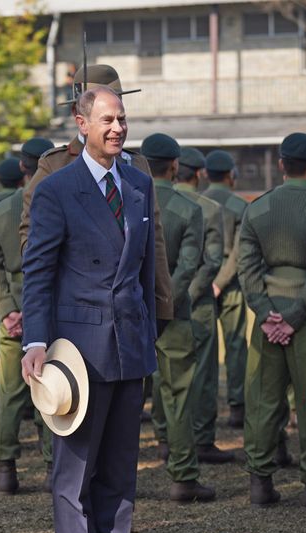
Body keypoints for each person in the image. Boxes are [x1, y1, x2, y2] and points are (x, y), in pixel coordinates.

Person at [22, 86, 155, 533]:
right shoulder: (58, 189)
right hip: (78, 350)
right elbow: (38, 270)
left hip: (129, 346)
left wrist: (148, 334)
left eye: (121, 118)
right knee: (75, 470)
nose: (117, 128)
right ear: (81, 124)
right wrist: (36, 340)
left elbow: (145, 272)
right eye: (106, 119)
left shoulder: (141, 185)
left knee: (121, 468)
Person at [19, 64, 173, 326]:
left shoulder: (136, 167)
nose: (116, 125)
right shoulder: (55, 166)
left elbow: (153, 241)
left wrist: (161, 305)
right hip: (79, 312)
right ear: (77, 114)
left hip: (130, 310)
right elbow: (30, 240)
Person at [239, 133, 306, 508]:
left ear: (281, 165)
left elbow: (247, 269)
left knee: (263, 398)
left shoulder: (257, 209)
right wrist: (296, 316)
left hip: (267, 316)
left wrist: (266, 314)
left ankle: (260, 481)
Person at [141, 133, 214, 503]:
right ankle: (183, 475)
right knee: (178, 395)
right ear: (174, 166)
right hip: (174, 313)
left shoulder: (125, 201)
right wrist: (164, 302)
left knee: (122, 399)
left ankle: (119, 478)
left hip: (130, 312)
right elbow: (187, 268)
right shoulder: (190, 210)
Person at [0, 137, 55, 494]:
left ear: (21, 167)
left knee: (11, 391)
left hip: (11, 307)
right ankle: (54, 465)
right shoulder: (57, 199)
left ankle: (5, 470)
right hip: (50, 306)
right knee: (53, 387)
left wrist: (8, 311)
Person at [173, 147, 232, 463]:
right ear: (199, 174)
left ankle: (168, 436)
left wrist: (168, 294)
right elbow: (211, 260)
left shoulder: (156, 203)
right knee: (205, 373)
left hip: (162, 301)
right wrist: (191, 292)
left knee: (165, 373)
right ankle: (203, 440)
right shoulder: (209, 209)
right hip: (198, 302)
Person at [203, 149, 249, 429]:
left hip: (201, 281)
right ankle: (237, 408)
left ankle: (203, 413)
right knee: (236, 347)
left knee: (203, 351)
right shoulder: (239, 205)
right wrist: (221, 282)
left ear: (205, 174)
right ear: (231, 175)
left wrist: (209, 282)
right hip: (230, 284)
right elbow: (240, 252)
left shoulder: (196, 201)